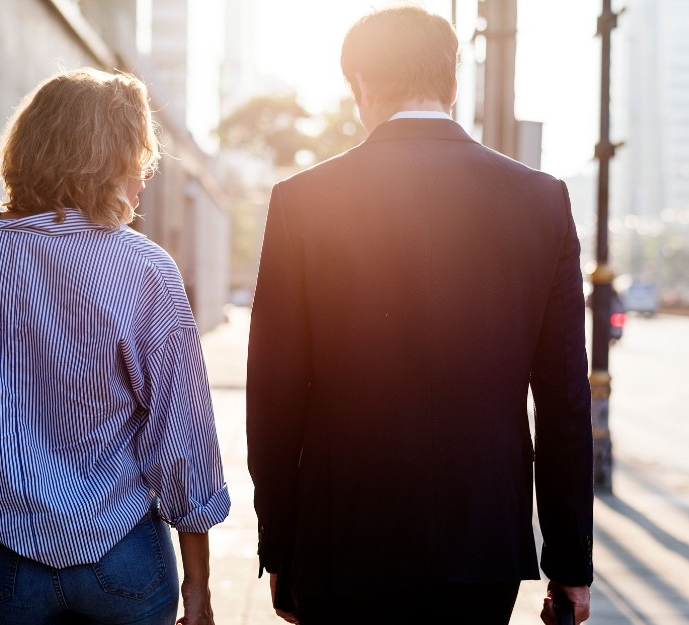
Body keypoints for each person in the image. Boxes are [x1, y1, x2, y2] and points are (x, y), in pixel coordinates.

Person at [246, 7, 593, 624]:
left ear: (360, 85)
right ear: (454, 85)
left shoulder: (301, 202)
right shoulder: (542, 200)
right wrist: (570, 561)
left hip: (341, 536)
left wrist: (280, 547)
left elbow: (272, 399)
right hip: (481, 538)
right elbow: (565, 400)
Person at [0, 68, 230, 625]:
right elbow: (182, 437)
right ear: (106, 160)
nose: (146, 173)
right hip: (125, 557)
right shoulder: (146, 268)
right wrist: (200, 588)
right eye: (138, 156)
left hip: (1, 553)